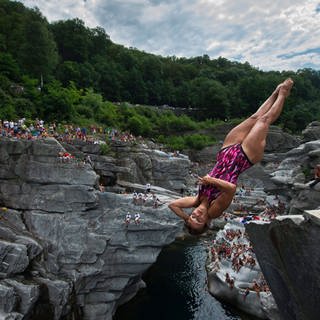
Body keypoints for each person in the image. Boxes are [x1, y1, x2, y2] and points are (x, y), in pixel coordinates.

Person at [168, 78, 294, 234]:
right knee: (264, 120)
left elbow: (172, 205)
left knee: (254, 117)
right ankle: (283, 93)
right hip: (244, 158)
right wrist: (211, 180)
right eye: (199, 220)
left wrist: (186, 219)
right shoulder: (215, 211)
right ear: (207, 221)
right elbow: (231, 189)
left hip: (226, 152)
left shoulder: (196, 200)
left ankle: (275, 91)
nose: (196, 216)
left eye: (192, 218)